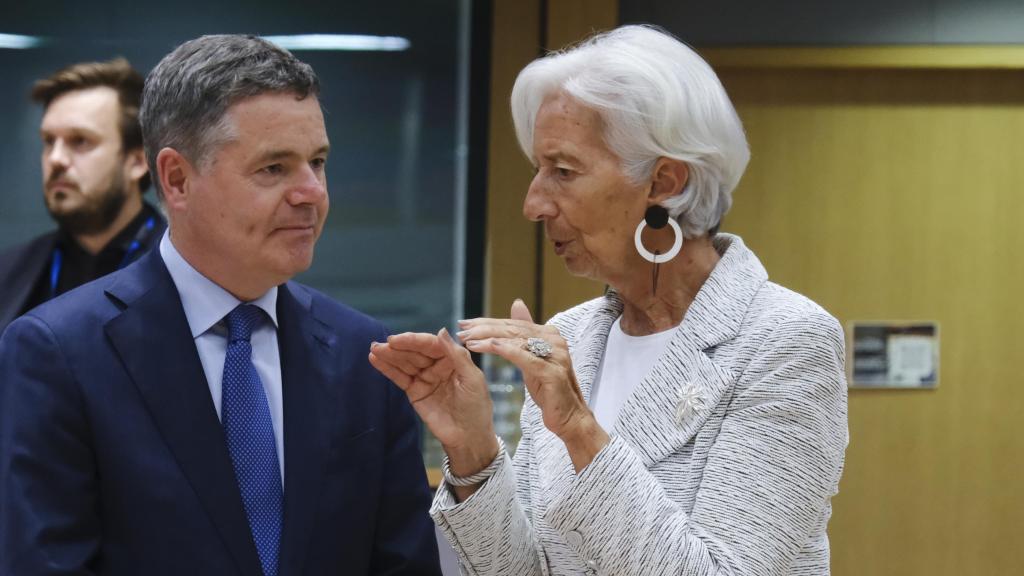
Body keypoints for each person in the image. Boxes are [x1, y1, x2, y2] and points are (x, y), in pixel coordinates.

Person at [369, 25, 848, 575]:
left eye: (563, 171)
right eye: (536, 170)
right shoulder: (572, 335)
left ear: (664, 182)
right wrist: (473, 447)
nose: (533, 204)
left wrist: (579, 429)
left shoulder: (784, 338)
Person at [0, 35, 441, 576]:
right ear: (178, 179)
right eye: (273, 168)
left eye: (318, 162)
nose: (311, 193)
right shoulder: (59, 353)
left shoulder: (365, 355)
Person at [0, 58, 165, 333]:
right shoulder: (9, 271)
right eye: (49, 141)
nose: (56, 159)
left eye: (80, 141)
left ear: (137, 162)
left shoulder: (186, 270)